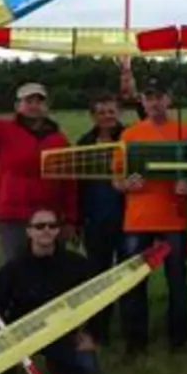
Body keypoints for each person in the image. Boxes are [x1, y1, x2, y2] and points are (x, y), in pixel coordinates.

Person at [0, 68, 78, 264]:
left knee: (51, 270)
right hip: (13, 217)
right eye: (28, 101)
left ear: (46, 106)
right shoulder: (1, 131)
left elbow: (69, 183)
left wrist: (71, 220)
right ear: (17, 106)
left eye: (39, 101)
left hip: (49, 219)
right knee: (15, 268)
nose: (34, 105)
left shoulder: (59, 140)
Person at [0, 207, 99, 374]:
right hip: (22, 331)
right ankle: (8, 366)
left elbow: (97, 297)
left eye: (52, 225)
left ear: (58, 230)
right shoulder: (14, 268)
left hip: (60, 330)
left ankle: (59, 361)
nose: (46, 230)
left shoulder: (76, 264)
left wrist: (89, 334)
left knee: (85, 373)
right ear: (29, 231)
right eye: (39, 226)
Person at [116, 78, 187, 357]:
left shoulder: (185, 132)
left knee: (177, 281)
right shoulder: (130, 135)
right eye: (149, 98)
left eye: (159, 97)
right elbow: (116, 178)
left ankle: (180, 338)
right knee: (135, 282)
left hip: (174, 219)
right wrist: (126, 185)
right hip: (138, 221)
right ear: (143, 102)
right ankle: (135, 340)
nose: (154, 102)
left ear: (168, 101)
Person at [75, 91, 133, 345]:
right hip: (95, 220)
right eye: (101, 112)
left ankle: (132, 331)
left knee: (128, 275)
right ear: (92, 116)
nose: (107, 117)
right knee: (98, 277)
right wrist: (77, 219)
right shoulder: (84, 143)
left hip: (128, 219)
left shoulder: (131, 137)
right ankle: (99, 332)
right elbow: (76, 185)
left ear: (119, 112)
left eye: (111, 111)